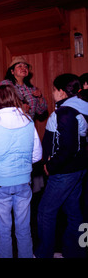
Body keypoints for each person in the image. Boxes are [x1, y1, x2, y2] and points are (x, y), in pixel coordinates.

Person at [0, 84, 42, 258]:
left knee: (3, 230)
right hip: (23, 182)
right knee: (24, 228)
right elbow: (37, 156)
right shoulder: (28, 122)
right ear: (16, 99)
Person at [34, 74, 88, 258]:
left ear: (61, 91)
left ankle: (44, 254)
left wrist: (51, 165)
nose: (52, 92)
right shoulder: (81, 108)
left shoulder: (66, 112)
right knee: (73, 211)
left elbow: (68, 147)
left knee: (45, 212)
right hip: (78, 168)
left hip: (65, 171)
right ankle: (75, 252)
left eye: (54, 89)